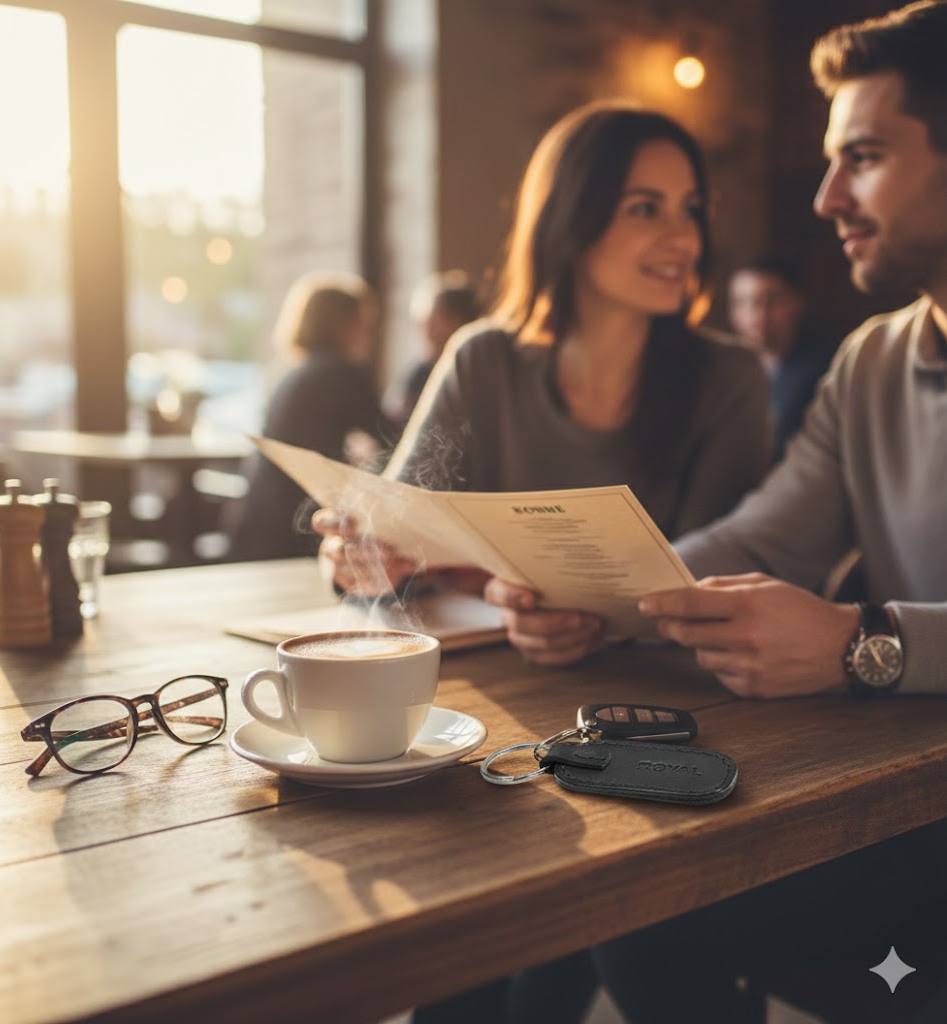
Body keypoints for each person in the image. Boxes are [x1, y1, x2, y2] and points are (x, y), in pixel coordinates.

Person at [492, 2, 947, 1021]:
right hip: (901, 805)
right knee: (593, 876)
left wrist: (858, 644)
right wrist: (595, 595)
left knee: (621, 893)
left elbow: (852, 637)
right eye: (831, 160)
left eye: (862, 157)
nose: (825, 194)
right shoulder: (869, 358)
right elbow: (761, 532)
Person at [314, 100, 773, 672]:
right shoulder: (482, 358)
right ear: (571, 219)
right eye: (645, 209)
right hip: (502, 689)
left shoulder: (729, 378)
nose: (683, 238)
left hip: (677, 696)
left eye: (691, 210)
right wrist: (356, 558)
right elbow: (398, 534)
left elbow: (716, 581)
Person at [227, 271, 386, 561]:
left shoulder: (292, 374)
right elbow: (394, 442)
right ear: (346, 324)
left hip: (257, 523)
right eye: (364, 322)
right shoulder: (342, 373)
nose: (368, 333)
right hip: (298, 533)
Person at [727, 254, 834, 458]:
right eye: (742, 302)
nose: (757, 315)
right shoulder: (725, 371)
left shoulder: (822, 369)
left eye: (771, 301)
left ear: (797, 303)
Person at [385, 270, 481, 431]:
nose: (427, 330)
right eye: (423, 321)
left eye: (436, 320)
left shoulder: (481, 375)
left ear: (463, 321)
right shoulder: (417, 374)